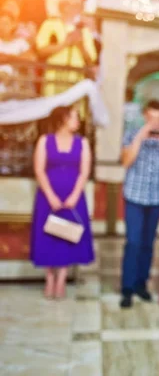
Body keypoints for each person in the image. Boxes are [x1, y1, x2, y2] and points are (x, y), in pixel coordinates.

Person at [30, 106, 94, 299]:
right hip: (47, 197)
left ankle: (62, 279)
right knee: (49, 236)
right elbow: (39, 170)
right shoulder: (44, 141)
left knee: (68, 235)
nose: (77, 121)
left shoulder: (83, 143)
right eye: (74, 117)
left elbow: (84, 172)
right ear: (62, 119)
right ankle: (49, 278)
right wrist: (50, 196)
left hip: (73, 198)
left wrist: (74, 196)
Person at [120, 99, 159, 308]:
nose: (156, 123)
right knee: (133, 242)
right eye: (152, 119)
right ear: (145, 117)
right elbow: (126, 161)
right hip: (134, 196)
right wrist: (140, 138)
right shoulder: (131, 135)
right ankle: (127, 287)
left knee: (148, 243)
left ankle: (140, 284)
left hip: (156, 198)